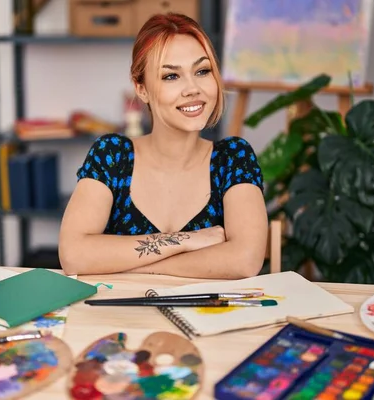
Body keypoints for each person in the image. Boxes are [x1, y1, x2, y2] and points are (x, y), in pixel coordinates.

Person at [58, 13, 268, 279]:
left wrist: (132, 265)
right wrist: (185, 241)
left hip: (209, 318)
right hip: (122, 318)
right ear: (142, 88)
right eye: (171, 76)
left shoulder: (233, 158)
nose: (193, 88)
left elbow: (245, 261)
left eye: (202, 71)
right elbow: (74, 255)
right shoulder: (112, 154)